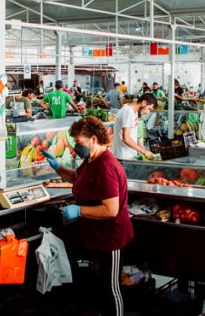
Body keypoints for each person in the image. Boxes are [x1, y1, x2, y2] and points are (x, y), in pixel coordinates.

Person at [42, 116, 132, 316]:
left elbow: (110, 209)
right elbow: (76, 178)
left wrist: (79, 210)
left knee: (111, 288)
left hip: (111, 236)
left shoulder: (105, 166)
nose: (76, 146)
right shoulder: (91, 160)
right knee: (98, 286)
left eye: (79, 142)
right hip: (95, 233)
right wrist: (58, 168)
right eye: (74, 142)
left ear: (93, 139)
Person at [113, 92, 157, 160]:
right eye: (149, 109)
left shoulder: (134, 111)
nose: (148, 112)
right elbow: (126, 138)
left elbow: (133, 132)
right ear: (144, 103)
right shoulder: (128, 112)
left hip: (130, 154)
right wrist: (144, 151)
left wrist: (141, 147)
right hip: (124, 156)